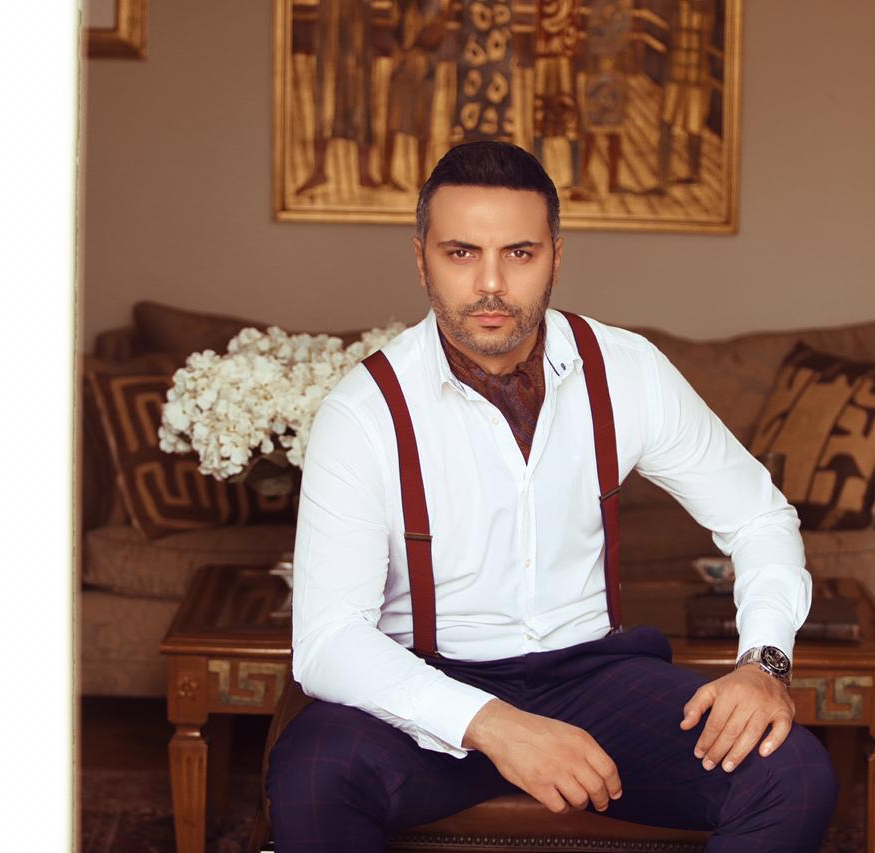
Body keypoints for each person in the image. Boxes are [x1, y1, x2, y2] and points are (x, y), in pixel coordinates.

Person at [265, 140, 838, 852]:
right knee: (313, 773)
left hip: (594, 679)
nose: (491, 284)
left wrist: (764, 662)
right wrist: (493, 724)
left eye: (520, 253)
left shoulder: (626, 371)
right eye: (461, 252)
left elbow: (758, 515)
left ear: (556, 258)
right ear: (421, 259)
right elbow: (328, 639)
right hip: (428, 681)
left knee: (794, 775)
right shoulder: (365, 411)